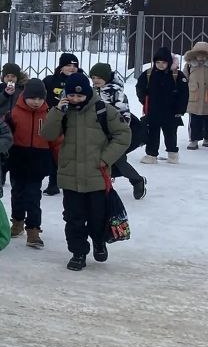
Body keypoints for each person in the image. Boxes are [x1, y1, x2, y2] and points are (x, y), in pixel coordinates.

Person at [40, 72, 131, 271]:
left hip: (97, 175)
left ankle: (99, 242)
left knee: (98, 216)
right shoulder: (63, 111)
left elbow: (123, 135)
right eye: (71, 96)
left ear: (88, 94)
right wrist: (57, 112)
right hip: (70, 176)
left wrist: (105, 159)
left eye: (80, 97)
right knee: (74, 218)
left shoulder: (102, 110)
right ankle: (78, 252)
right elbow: (47, 134)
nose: (75, 100)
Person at [7, 79, 57, 248]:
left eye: (40, 98)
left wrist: (57, 159)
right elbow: (5, 136)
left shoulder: (49, 114)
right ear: (24, 97)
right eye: (32, 98)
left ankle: (33, 229)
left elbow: (55, 139)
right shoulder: (14, 113)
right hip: (18, 158)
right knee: (17, 193)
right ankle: (17, 222)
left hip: (38, 160)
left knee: (33, 196)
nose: (36, 102)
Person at [89, 63, 146, 199]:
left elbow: (124, 116)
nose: (96, 80)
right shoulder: (93, 91)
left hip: (114, 134)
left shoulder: (116, 92)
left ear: (107, 77)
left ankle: (137, 181)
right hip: (96, 134)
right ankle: (102, 186)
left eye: (99, 77)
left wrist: (115, 133)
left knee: (117, 160)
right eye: (93, 77)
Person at [136, 46, 189, 163]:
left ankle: (173, 154)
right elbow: (140, 88)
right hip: (153, 111)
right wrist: (144, 101)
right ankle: (151, 155)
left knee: (170, 134)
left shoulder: (177, 75)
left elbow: (184, 94)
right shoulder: (149, 74)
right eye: (157, 62)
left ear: (169, 62)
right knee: (152, 134)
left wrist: (180, 109)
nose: (160, 65)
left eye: (163, 62)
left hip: (171, 112)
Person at [41, 53, 81, 195]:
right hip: (54, 119)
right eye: (68, 65)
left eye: (74, 65)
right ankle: (53, 182)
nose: (71, 68)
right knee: (53, 152)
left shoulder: (81, 81)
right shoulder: (50, 81)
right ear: (61, 67)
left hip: (74, 120)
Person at [185, 41, 208, 150]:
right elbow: (184, 79)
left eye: (204, 54)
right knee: (194, 121)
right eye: (199, 54)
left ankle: (206, 138)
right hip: (194, 98)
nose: (201, 57)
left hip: (207, 99)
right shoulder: (190, 65)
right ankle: (193, 140)